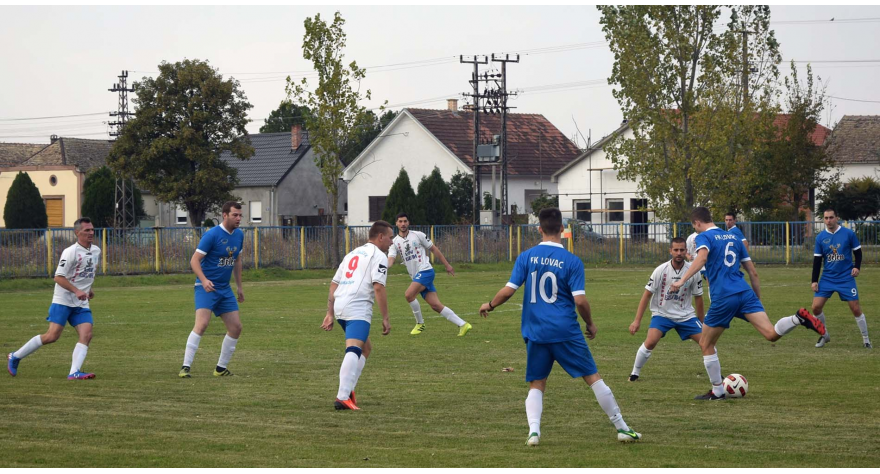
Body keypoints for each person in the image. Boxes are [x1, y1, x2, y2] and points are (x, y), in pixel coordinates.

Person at [479, 207, 641, 445]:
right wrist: (590, 323)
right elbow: (580, 300)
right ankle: (622, 427)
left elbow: (508, 291)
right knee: (593, 378)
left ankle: (534, 432)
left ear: (539, 229)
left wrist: (490, 305)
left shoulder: (526, 257)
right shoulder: (572, 261)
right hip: (565, 331)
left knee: (537, 382)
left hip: (536, 331)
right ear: (563, 229)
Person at [670, 207, 826, 400]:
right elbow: (753, 273)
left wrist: (681, 280)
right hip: (745, 293)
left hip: (724, 297)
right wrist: (756, 301)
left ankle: (718, 391)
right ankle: (797, 318)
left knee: (705, 342)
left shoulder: (704, 237)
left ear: (697, 223)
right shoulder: (734, 237)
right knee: (771, 334)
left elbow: (701, 258)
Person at [7, 217, 101, 380]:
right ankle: (15, 356)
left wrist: (88, 289)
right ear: (77, 233)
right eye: (87, 230)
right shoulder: (70, 252)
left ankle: (74, 372)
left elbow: (85, 272)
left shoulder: (96, 251)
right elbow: (58, 277)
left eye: (92, 229)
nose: (91, 233)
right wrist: (76, 290)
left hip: (81, 302)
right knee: (52, 336)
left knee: (87, 334)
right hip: (63, 300)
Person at [322, 220, 394, 410]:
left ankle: (349, 389)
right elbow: (378, 287)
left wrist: (330, 312)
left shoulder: (353, 253)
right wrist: (385, 317)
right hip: (357, 306)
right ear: (380, 237)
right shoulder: (378, 255)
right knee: (353, 348)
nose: (392, 242)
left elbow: (333, 284)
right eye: (390, 237)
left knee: (365, 348)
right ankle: (342, 396)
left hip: (341, 306)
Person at [179, 201, 245, 378]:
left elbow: (237, 261)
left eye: (240, 215)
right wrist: (204, 280)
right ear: (225, 215)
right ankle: (185, 367)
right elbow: (194, 260)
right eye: (235, 215)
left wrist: (239, 286)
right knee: (202, 324)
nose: (239, 218)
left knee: (236, 327)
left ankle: (220, 368)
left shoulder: (239, 235)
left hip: (224, 289)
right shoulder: (212, 235)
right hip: (205, 287)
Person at [628, 237, 705, 382]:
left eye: (682, 250)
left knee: (706, 343)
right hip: (662, 314)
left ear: (686, 251)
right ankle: (634, 373)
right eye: (676, 250)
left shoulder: (694, 271)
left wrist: (703, 323)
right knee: (650, 341)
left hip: (686, 315)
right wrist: (636, 321)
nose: (679, 253)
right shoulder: (660, 270)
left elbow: (698, 298)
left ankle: (717, 377)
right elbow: (646, 295)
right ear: (670, 251)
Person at [387, 212, 471, 336]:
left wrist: (447, 265)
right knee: (436, 305)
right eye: (400, 221)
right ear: (396, 223)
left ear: (408, 222)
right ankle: (463, 324)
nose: (403, 224)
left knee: (409, 295)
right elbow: (391, 259)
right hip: (417, 276)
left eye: (405, 221)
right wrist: (384, 266)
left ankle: (420, 323)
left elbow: (434, 249)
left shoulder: (418, 235)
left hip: (425, 271)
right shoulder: (394, 242)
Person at [811, 208, 870, 349]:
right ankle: (824, 335)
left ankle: (866, 339)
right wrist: (814, 280)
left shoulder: (848, 233)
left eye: (831, 217)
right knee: (815, 307)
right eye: (826, 218)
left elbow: (858, 253)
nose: (828, 221)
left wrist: (857, 267)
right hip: (827, 278)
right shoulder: (820, 237)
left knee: (855, 309)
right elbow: (817, 261)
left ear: (837, 218)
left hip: (846, 278)